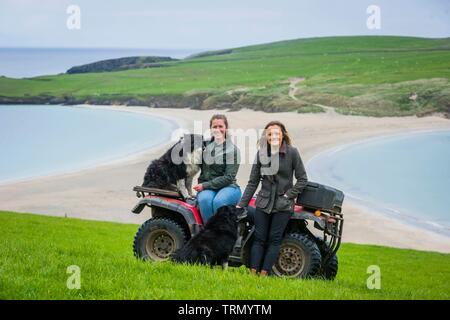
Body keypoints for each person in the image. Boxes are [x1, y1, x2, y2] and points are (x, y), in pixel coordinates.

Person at [237, 121, 308, 276]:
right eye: (270, 134)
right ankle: (252, 273)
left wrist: (289, 195)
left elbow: (302, 179)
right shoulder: (261, 153)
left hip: (283, 205)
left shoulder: (292, 153)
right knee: (259, 238)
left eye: (277, 133)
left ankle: (264, 273)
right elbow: (253, 182)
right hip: (263, 203)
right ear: (266, 136)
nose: (273, 136)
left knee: (274, 240)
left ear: (283, 135)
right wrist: (241, 204)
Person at [194, 114, 241, 223]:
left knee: (219, 202)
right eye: (214, 127)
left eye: (221, 126)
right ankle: (209, 233)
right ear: (210, 129)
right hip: (207, 187)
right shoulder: (204, 146)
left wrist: (204, 185)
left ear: (226, 128)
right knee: (205, 200)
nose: (218, 129)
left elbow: (229, 177)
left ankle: (221, 235)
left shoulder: (233, 150)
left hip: (228, 187)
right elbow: (191, 162)